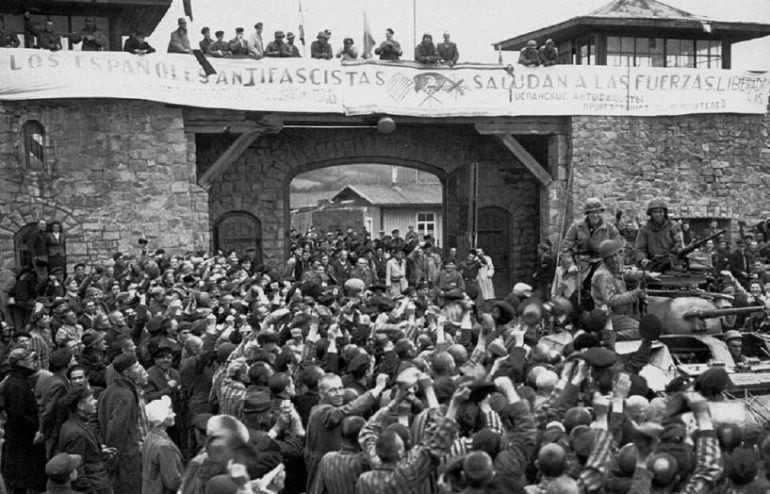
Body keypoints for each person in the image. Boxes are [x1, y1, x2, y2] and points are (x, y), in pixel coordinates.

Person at [303, 373, 386, 491]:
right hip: (325, 473)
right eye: (333, 390)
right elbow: (347, 410)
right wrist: (378, 389)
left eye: (340, 388)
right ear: (321, 394)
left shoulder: (319, 410)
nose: (339, 393)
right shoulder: (322, 412)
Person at [98, 354, 147, 494]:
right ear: (126, 372)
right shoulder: (126, 395)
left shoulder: (109, 390)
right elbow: (116, 429)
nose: (141, 369)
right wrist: (111, 460)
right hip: (125, 457)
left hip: (117, 454)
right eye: (136, 367)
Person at [561, 198, 621, 310]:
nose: (596, 215)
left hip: (602, 262)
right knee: (571, 287)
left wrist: (615, 264)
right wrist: (570, 264)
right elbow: (566, 248)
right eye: (592, 212)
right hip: (581, 263)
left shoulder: (610, 228)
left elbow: (619, 248)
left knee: (603, 283)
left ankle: (600, 310)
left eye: (598, 212)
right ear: (587, 214)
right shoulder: (576, 227)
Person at [2, 348, 47, 493]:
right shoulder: (16, 384)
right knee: (22, 476)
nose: (35, 363)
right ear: (21, 363)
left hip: (22, 436)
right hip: (22, 438)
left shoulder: (18, 380)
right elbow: (18, 413)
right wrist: (35, 427)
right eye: (32, 360)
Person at [58, 386, 113, 494]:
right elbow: (77, 471)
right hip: (95, 486)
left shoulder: (80, 424)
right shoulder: (75, 432)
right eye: (91, 400)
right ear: (80, 406)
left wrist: (99, 452)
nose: (95, 402)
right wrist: (91, 491)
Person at [592, 239, 644, 340]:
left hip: (620, 312)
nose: (615, 259)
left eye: (617, 255)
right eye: (611, 257)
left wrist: (645, 275)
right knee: (642, 331)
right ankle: (611, 337)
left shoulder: (612, 268)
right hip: (609, 315)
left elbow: (623, 273)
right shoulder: (603, 275)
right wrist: (634, 294)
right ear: (605, 260)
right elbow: (611, 300)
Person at [142, 396, 184, 494]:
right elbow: (172, 481)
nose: (174, 414)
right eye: (169, 412)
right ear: (162, 419)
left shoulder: (149, 436)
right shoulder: (163, 446)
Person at [634, 199, 683, 270]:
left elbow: (679, 243)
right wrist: (642, 259)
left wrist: (672, 255)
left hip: (672, 263)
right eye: (655, 212)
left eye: (660, 212)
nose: (658, 214)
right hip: (653, 264)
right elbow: (640, 248)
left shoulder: (673, 226)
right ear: (651, 213)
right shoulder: (644, 229)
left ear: (664, 213)